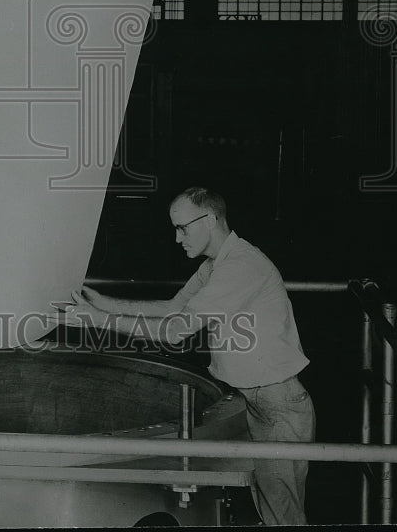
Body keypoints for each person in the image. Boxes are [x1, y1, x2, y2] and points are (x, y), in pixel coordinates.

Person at [60, 186, 315, 526]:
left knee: (284, 517)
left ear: (210, 219)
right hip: (259, 402)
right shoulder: (217, 264)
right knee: (272, 511)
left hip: (278, 404)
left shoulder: (241, 266)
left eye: (182, 227)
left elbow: (176, 330)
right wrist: (104, 303)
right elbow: (172, 308)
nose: (177, 238)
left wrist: (101, 321)